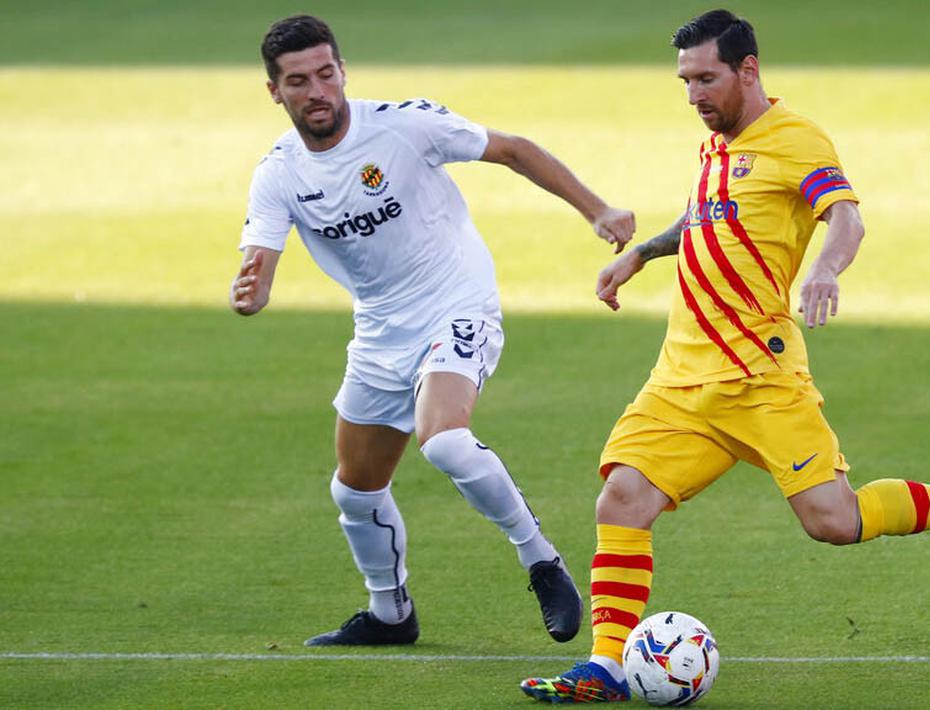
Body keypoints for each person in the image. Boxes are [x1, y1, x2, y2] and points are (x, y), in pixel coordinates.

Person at [520, 9, 930, 703]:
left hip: (760, 376)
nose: (693, 96)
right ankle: (606, 668)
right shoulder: (718, 140)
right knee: (621, 499)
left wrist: (826, 270)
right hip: (683, 374)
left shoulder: (795, 139)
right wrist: (645, 256)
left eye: (706, 79)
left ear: (748, 70)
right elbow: (709, 215)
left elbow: (844, 215)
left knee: (833, 521)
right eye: (684, 81)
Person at [231, 15, 636, 647]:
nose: (316, 91)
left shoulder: (401, 125)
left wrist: (599, 210)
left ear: (342, 72)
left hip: (457, 301)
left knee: (444, 440)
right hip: (380, 329)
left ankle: (543, 561)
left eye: (325, 74)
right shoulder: (279, 172)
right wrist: (250, 292)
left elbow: (513, 149)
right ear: (274, 91)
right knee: (355, 491)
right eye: (297, 81)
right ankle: (391, 613)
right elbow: (259, 263)